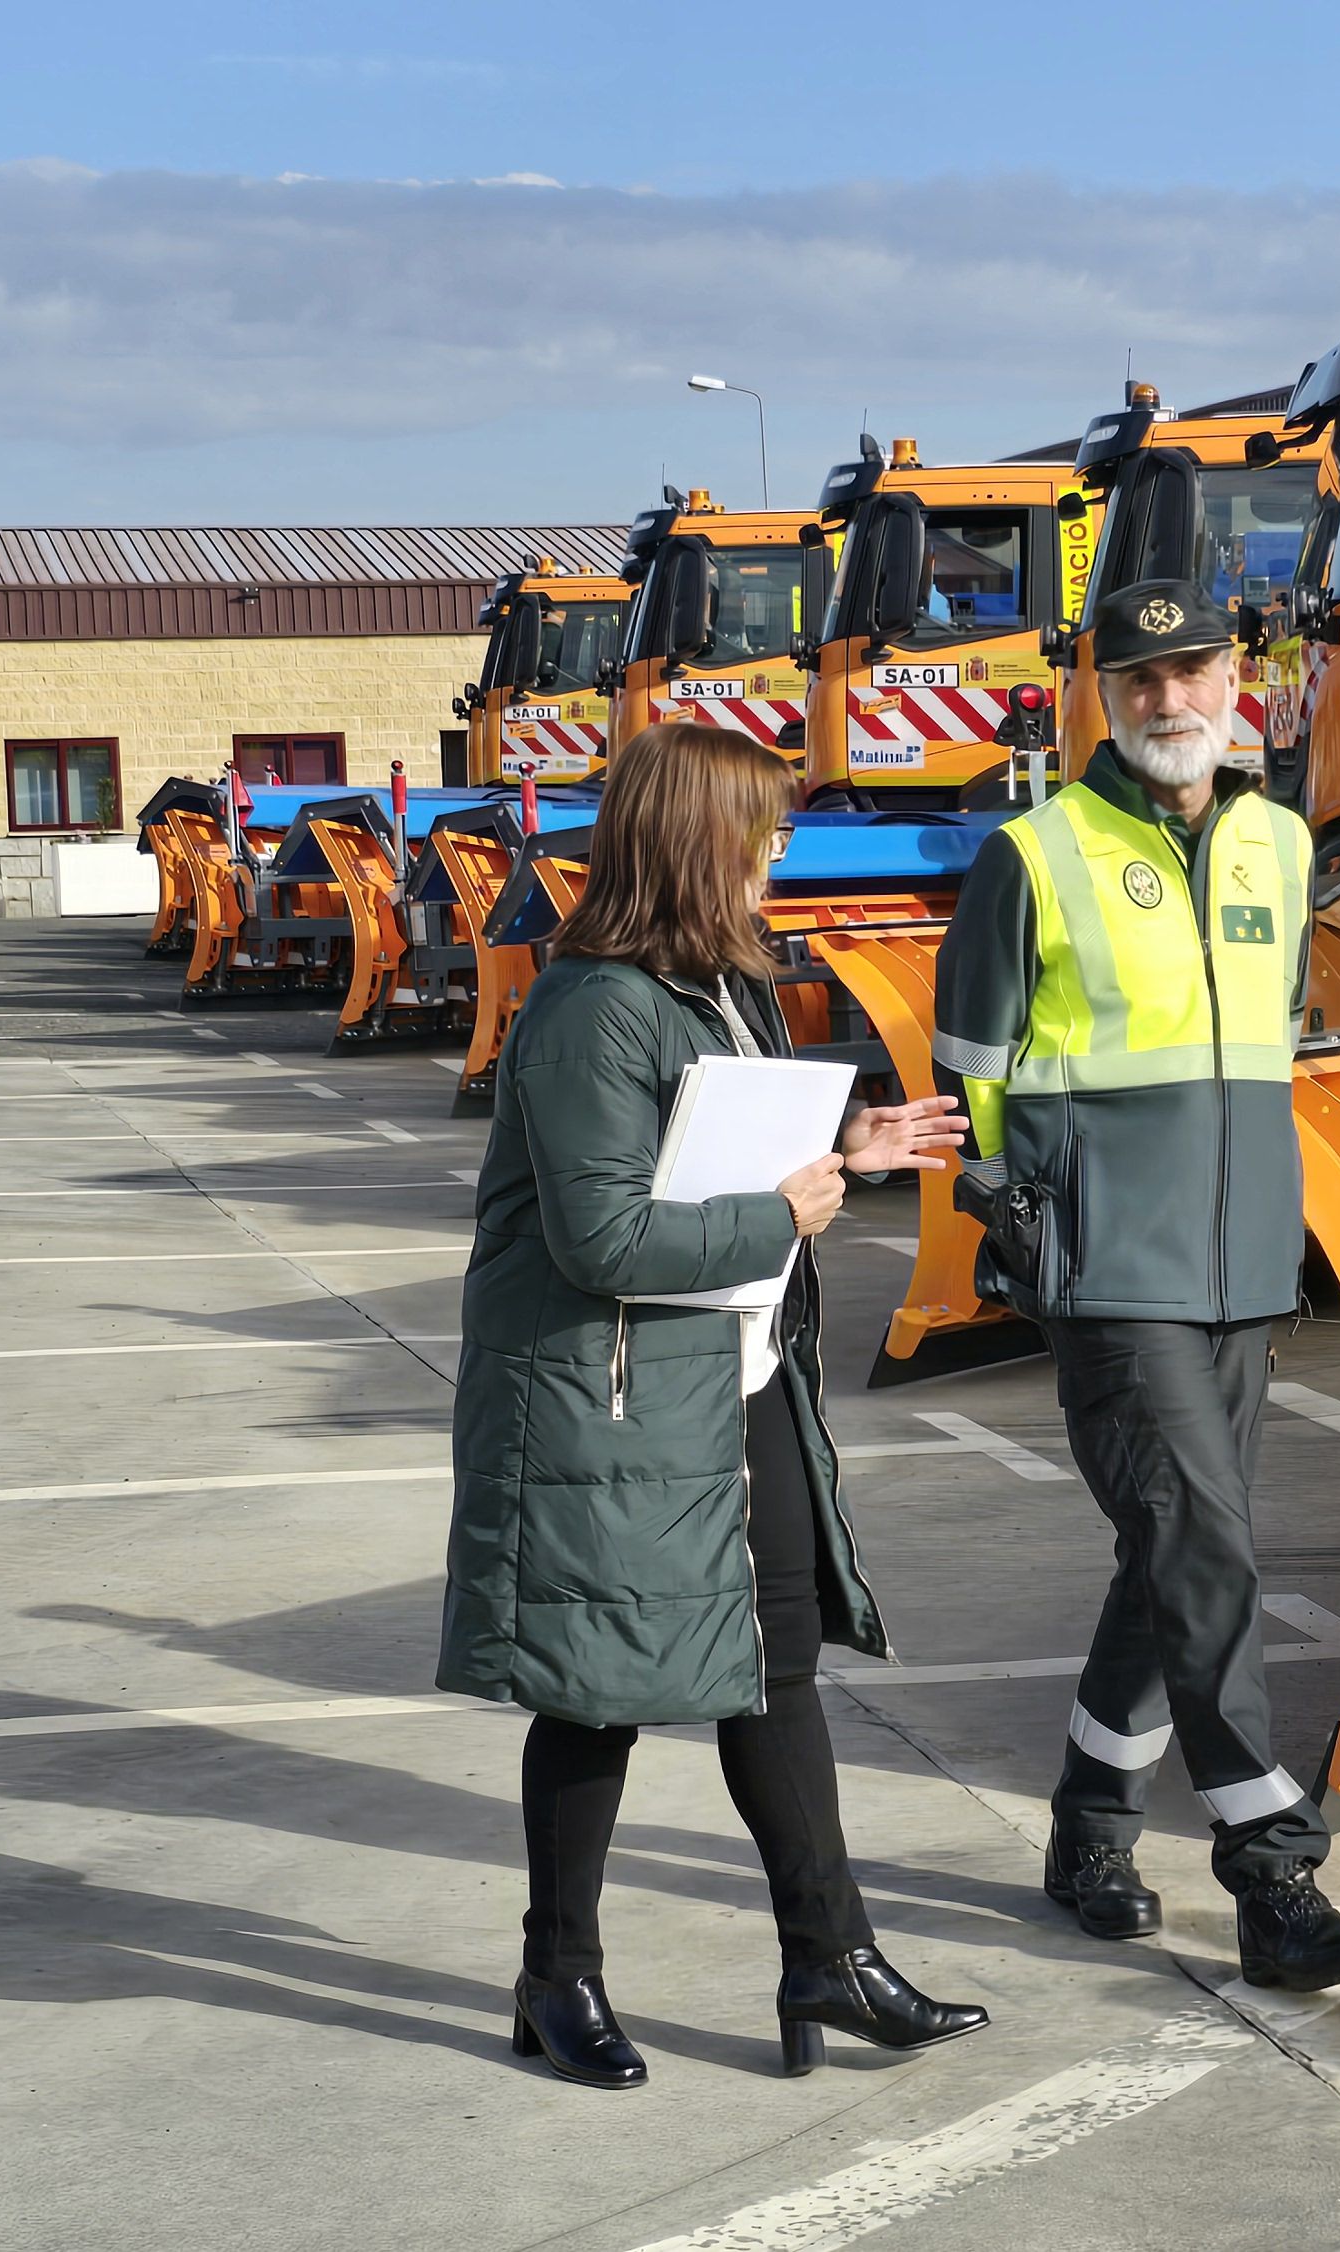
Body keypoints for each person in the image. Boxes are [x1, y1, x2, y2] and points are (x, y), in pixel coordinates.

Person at [437, 720, 988, 2087]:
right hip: (607, 1405)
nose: (780, 855)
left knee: (775, 1666)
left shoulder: (713, 987)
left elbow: (714, 1157)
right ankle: (554, 1977)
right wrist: (780, 1210)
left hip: (731, 1381)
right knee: (594, 1693)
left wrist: (843, 1147)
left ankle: (830, 1956)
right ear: (695, 841)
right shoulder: (590, 1011)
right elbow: (605, 1243)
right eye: (763, 830)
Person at [930, 579, 1340, 1992]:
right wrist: (1014, 1216)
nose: (1168, 700)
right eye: (1138, 680)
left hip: (1246, 1260)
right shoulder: (1036, 851)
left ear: (1235, 674)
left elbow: (1276, 1032)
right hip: (1108, 1268)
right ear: (1104, 697)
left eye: (1190, 670)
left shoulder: (1281, 842)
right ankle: (1271, 1870)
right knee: (1205, 1544)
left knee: (1177, 1554)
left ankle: (1088, 1825)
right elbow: (972, 1063)